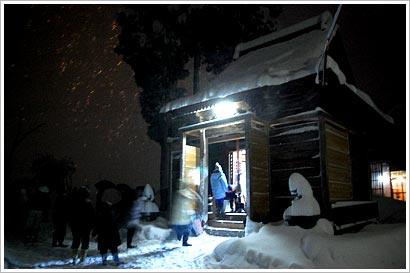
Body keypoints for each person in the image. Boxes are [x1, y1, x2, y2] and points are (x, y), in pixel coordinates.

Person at [67, 186, 95, 265]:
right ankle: (83, 258)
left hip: (75, 225)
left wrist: (71, 224)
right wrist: (92, 226)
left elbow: (70, 215)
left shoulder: (73, 203)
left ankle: (74, 257)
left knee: (76, 240)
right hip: (86, 226)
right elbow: (92, 216)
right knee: (85, 241)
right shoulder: (89, 204)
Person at [169, 180, 202, 246]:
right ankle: (183, 241)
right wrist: (192, 212)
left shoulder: (179, 194)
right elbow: (188, 207)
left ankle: (179, 238)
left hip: (179, 218)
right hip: (185, 217)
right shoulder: (187, 195)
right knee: (187, 230)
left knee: (181, 229)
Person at [92, 201, 122, 266]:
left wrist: (94, 233)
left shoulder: (99, 215)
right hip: (112, 235)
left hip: (103, 236)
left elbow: (97, 226)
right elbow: (116, 225)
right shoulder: (112, 215)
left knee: (103, 249)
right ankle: (116, 261)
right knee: (114, 249)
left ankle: (104, 261)